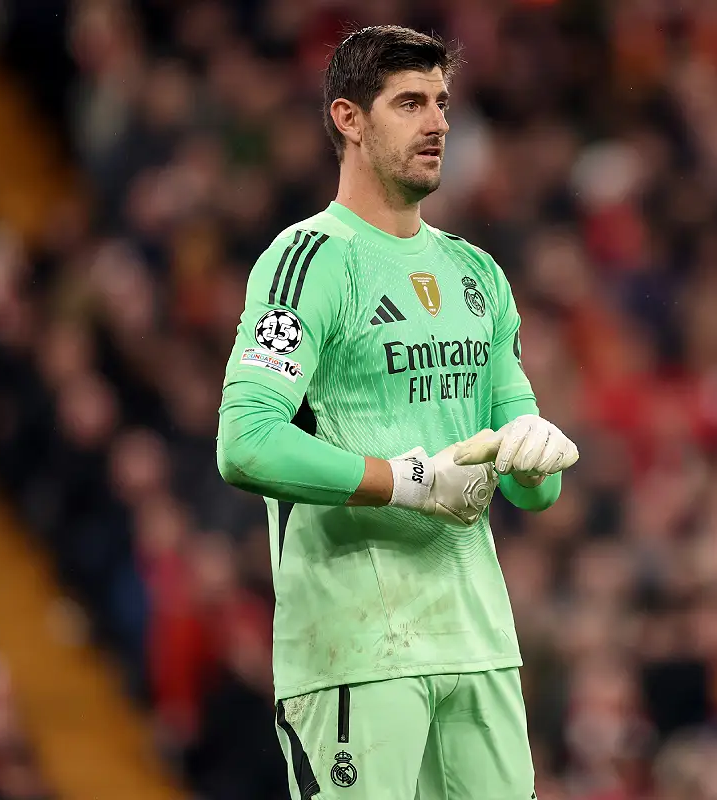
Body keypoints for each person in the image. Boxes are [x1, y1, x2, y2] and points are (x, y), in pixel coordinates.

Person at [216, 25, 579, 800]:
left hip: (479, 641)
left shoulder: (475, 271)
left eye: (442, 102)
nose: (438, 122)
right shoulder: (305, 261)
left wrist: (535, 448)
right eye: (410, 102)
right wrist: (411, 481)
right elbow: (245, 444)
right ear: (349, 119)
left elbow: (528, 491)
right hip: (356, 649)